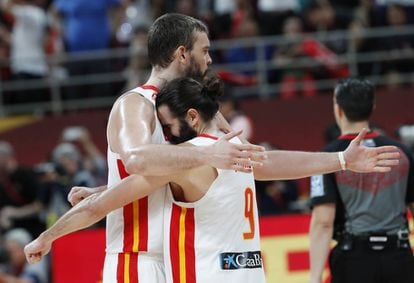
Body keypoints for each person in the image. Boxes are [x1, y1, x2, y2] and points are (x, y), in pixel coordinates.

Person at [24, 76, 400, 280]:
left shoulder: (190, 159)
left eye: (169, 128)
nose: (167, 137)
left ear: (190, 117)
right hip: (250, 271)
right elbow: (277, 162)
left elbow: (100, 208)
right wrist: (341, 159)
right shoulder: (235, 148)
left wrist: (47, 235)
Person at [54, 13, 266, 283]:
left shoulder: (195, 109)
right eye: (204, 51)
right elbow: (137, 161)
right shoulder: (135, 103)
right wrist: (206, 153)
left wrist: (103, 189)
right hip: (138, 258)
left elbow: (246, 161)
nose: (209, 60)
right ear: (182, 54)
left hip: (180, 257)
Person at [309, 78, 414, 283]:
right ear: (372, 107)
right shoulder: (402, 152)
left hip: (354, 260)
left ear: (338, 109)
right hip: (399, 257)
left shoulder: (327, 157)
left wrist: (314, 277)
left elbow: (323, 221)